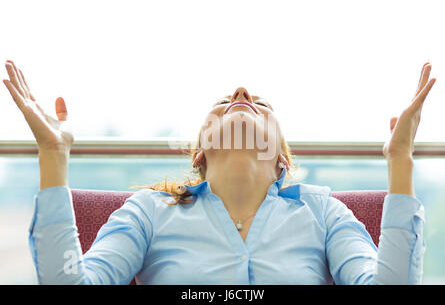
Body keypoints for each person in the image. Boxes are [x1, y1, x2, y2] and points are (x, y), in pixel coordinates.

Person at [2, 60, 435, 285]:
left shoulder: (323, 211)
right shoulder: (150, 211)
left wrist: (401, 164)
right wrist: (52, 156)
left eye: (259, 104)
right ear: (199, 152)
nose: (242, 94)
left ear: (281, 158)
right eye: (223, 101)